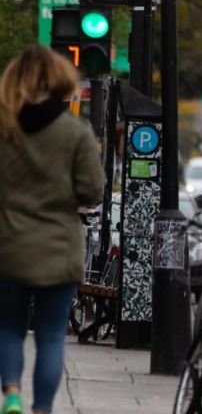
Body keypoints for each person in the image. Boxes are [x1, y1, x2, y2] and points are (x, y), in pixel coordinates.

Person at [0, 47, 104, 414]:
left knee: (9, 327)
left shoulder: (5, 124)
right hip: (59, 248)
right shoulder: (74, 131)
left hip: (9, 244)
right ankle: (41, 408)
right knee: (50, 334)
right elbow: (92, 190)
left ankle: (11, 393)